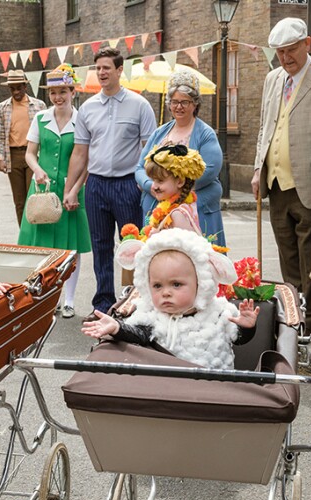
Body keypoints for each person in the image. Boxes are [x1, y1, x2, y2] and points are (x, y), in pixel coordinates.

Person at [252, 18, 311, 338]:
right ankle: (292, 313)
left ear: (307, 43)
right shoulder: (271, 79)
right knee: (287, 255)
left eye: (291, 50)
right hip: (276, 182)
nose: (285, 57)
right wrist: (257, 170)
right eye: (280, 52)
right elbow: (265, 129)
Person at [63, 47, 156, 322]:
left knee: (134, 247)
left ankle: (136, 304)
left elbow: (149, 149)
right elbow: (79, 153)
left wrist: (142, 182)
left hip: (129, 185)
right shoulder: (87, 109)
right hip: (97, 186)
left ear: (119, 70)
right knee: (101, 246)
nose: (102, 73)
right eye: (98, 68)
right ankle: (102, 305)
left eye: (107, 68)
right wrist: (70, 190)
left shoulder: (140, 105)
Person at [82, 228, 258, 370]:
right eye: (157, 286)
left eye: (176, 285)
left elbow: (239, 339)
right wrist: (117, 327)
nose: (166, 292)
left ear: (200, 284)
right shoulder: (151, 315)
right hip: (167, 393)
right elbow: (138, 335)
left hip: (215, 393)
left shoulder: (219, 313)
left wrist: (246, 327)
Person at [16, 64, 91, 319]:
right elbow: (29, 153)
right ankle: (48, 296)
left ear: (72, 91)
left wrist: (77, 188)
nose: (58, 97)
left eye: (63, 91)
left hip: (71, 188)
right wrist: (36, 169)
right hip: (43, 188)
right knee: (43, 243)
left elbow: (87, 160)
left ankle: (69, 300)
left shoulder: (82, 120)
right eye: (53, 93)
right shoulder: (40, 118)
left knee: (71, 247)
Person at [135, 71, 225, 245]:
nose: (179, 107)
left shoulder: (206, 134)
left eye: (185, 102)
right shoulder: (160, 133)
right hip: (157, 204)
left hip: (194, 207)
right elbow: (139, 167)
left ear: (195, 103)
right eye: (174, 102)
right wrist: (151, 186)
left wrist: (176, 191)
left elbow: (210, 170)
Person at [0, 70, 46, 226]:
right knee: (19, 201)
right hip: (13, 155)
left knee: (35, 196)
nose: (16, 92)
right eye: (12, 88)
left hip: (34, 154)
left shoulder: (39, 105)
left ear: (25, 86)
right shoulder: (1, 108)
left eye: (19, 88)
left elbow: (44, 132)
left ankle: (35, 230)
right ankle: (23, 233)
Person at [140, 144, 205, 236]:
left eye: (160, 181)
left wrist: (158, 236)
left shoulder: (178, 214)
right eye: (153, 180)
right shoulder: (178, 208)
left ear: (180, 182)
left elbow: (184, 246)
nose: (154, 186)